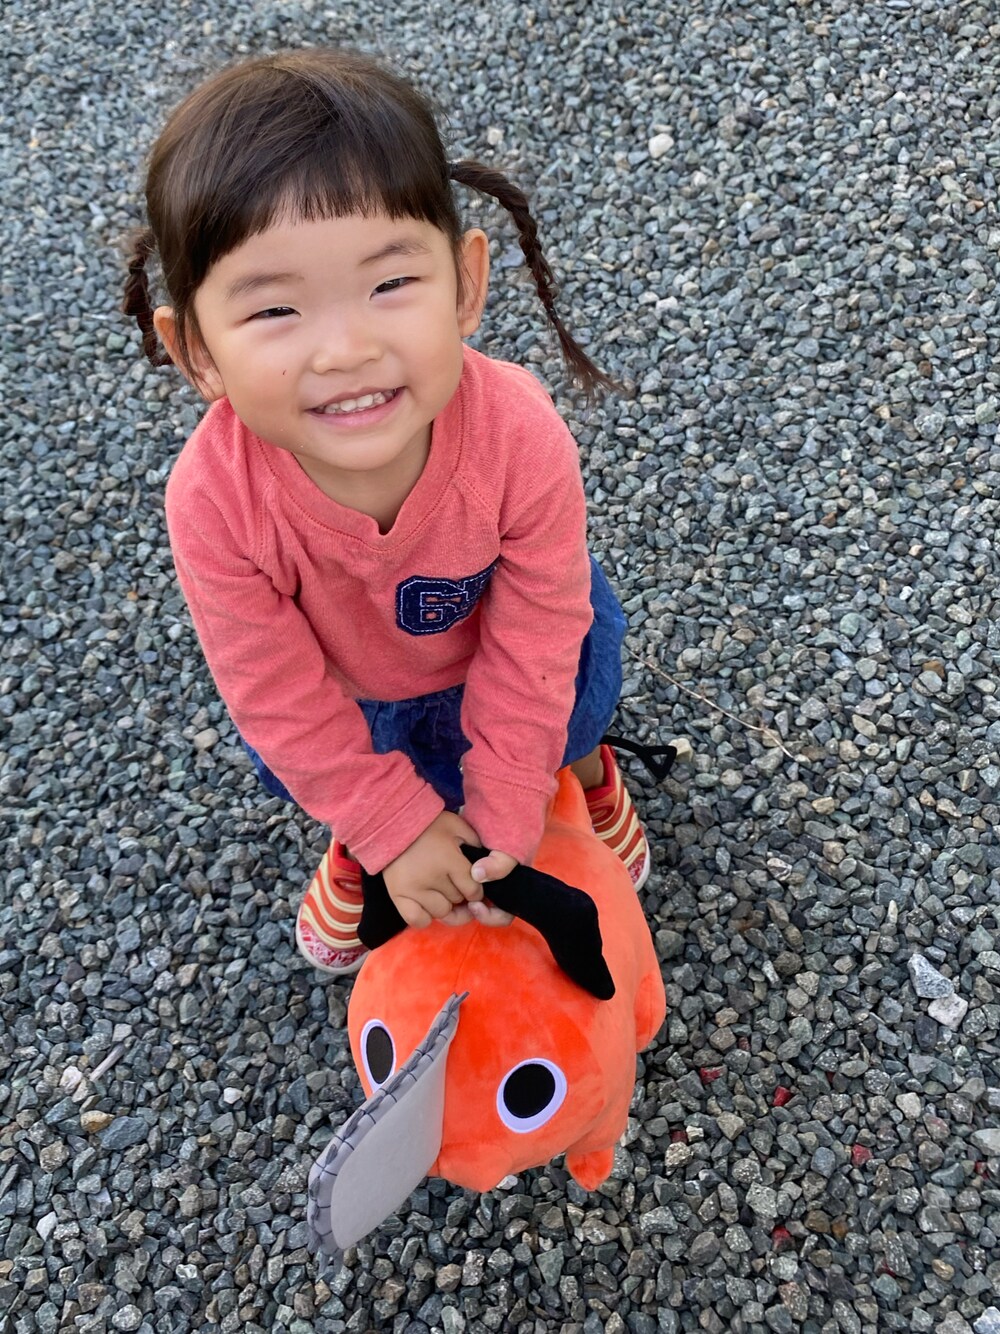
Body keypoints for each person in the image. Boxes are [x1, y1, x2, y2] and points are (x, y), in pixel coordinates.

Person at [123, 48, 650, 977]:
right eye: (275, 310)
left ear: (466, 284)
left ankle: (582, 775)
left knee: (568, 704)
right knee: (341, 768)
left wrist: (510, 788)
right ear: (195, 351)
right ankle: (363, 828)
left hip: (511, 652)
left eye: (390, 284)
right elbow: (274, 689)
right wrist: (387, 823)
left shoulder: (519, 434)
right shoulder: (213, 499)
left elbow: (539, 621)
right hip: (355, 694)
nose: (345, 349)